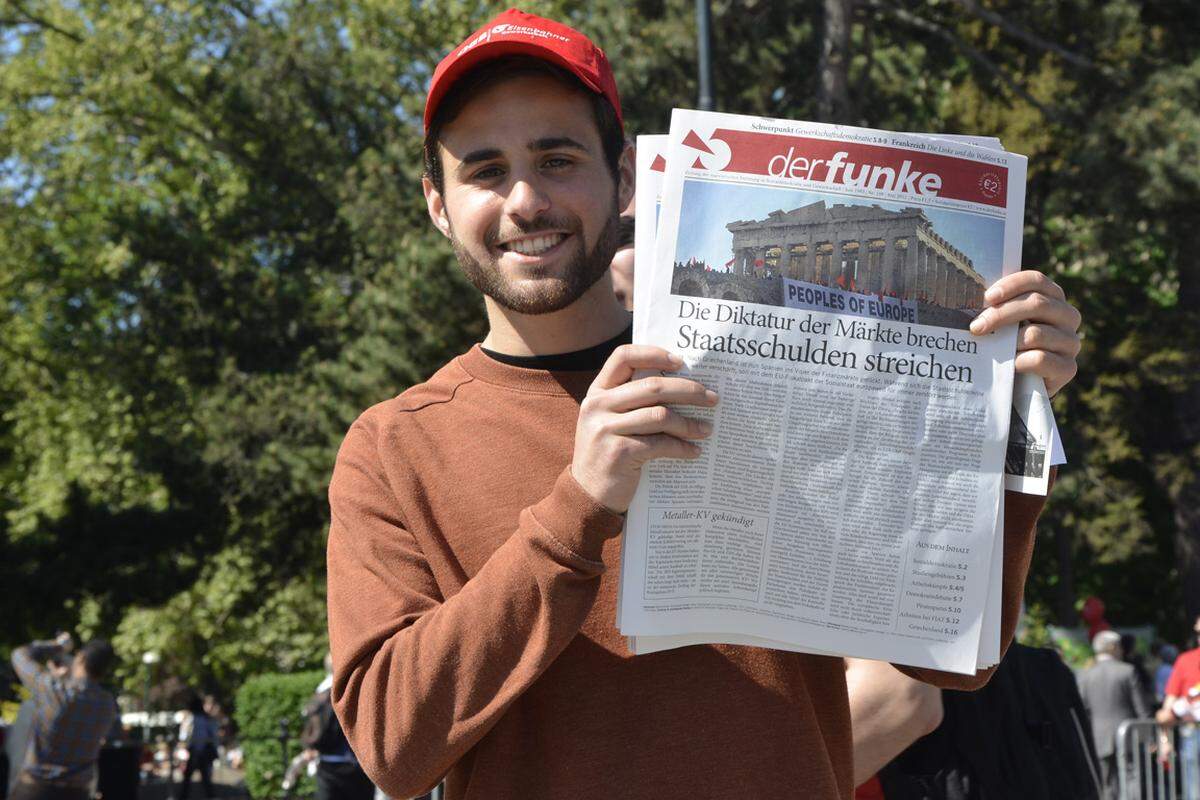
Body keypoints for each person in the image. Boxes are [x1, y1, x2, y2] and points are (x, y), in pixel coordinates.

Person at [325, 9, 1083, 799]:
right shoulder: (394, 447)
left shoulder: (756, 377)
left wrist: (1010, 415)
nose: (524, 201)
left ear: (623, 180)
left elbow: (952, 658)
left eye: (556, 159)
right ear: (437, 204)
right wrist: (577, 508)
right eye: (484, 170)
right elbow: (391, 747)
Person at [9, 634, 118, 800]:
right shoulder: (107, 703)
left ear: (81, 658)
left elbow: (19, 655)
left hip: (37, 789)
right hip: (78, 792)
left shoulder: (54, 690)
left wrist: (58, 646)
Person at [1079, 630, 1152, 799]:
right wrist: (1148, 736)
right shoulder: (1127, 671)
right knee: (1132, 777)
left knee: (1105, 781)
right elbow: (1141, 707)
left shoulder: (1085, 675)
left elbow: (1083, 708)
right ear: (1112, 647)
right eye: (1119, 646)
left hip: (1098, 736)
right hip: (1129, 735)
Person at [1157, 615, 1200, 800]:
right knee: (1193, 791)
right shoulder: (1186, 660)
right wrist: (1164, 741)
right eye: (1198, 632)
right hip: (1192, 734)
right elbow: (1168, 706)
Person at [178, 694, 220, 799]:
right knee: (205, 779)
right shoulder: (206, 719)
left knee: (188, 779)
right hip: (203, 751)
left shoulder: (191, 718)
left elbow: (183, 735)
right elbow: (213, 735)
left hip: (195, 752)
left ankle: (184, 797)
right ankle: (210, 796)